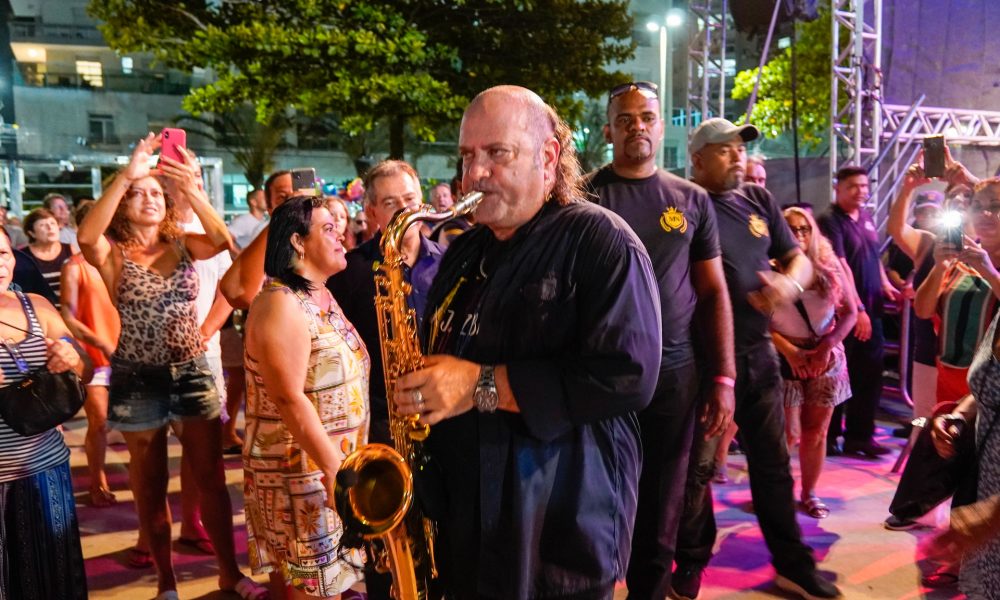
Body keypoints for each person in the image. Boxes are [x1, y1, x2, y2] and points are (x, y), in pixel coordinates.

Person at [391, 85, 661, 599]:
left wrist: (478, 386)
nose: (476, 174)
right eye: (468, 156)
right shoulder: (464, 252)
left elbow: (628, 376)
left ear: (549, 157)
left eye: (498, 153)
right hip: (468, 528)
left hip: (555, 538)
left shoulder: (601, 239)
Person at [77, 133, 264, 600]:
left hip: (192, 370)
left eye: (157, 193)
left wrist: (194, 191)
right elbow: (85, 236)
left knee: (211, 479)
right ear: (123, 205)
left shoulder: (183, 245)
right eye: (140, 194)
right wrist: (130, 173)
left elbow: (229, 247)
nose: (149, 199)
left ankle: (229, 574)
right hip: (138, 377)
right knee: (151, 484)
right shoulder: (113, 254)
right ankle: (166, 581)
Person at [673, 118, 839, 600]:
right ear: (699, 158)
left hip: (758, 355)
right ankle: (691, 560)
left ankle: (793, 563)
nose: (738, 157)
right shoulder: (683, 204)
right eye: (725, 150)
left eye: (740, 150)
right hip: (703, 363)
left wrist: (788, 284)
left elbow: (800, 259)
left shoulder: (760, 201)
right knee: (696, 471)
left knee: (772, 466)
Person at [584, 80, 735, 600]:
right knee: (595, 498)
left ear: (662, 124)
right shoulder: (582, 196)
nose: (637, 128)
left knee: (663, 504)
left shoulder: (690, 200)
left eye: (646, 117)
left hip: (675, 376)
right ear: (609, 129)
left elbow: (713, 292)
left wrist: (723, 378)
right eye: (625, 119)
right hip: (597, 373)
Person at [325, 160, 445, 600]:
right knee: (384, 541)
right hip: (378, 422)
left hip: (437, 417)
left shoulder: (450, 265)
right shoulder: (349, 272)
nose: (402, 211)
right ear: (372, 211)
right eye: (390, 203)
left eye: (410, 201)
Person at [243, 195, 368, 599]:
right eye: (328, 229)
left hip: (326, 469)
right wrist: (339, 474)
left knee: (325, 585)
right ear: (298, 241)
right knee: (312, 589)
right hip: (303, 475)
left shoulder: (321, 295)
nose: (341, 235)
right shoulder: (281, 303)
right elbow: (289, 399)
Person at [0, 226, 93, 600]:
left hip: (46, 468)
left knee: (55, 577)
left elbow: (82, 364)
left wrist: (72, 357)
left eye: (3, 253)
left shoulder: (35, 304)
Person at [773, 207, 857, 519]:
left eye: (804, 229)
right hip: (782, 356)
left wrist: (827, 346)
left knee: (816, 431)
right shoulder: (767, 263)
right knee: (787, 432)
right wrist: (789, 351)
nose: (798, 235)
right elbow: (754, 321)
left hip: (825, 355)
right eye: (791, 228)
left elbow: (850, 312)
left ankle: (809, 493)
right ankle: (777, 493)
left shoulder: (828, 263)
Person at [819, 165, 900, 457]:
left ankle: (860, 437)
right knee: (839, 376)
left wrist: (887, 287)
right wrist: (858, 308)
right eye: (853, 186)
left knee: (869, 375)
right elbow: (840, 265)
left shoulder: (865, 218)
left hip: (872, 310)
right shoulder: (829, 220)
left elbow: (874, 257)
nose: (861, 192)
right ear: (838, 188)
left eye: (864, 186)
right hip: (844, 313)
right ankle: (827, 437)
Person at [59, 200, 122, 508]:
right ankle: (97, 481)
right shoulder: (74, 267)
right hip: (95, 357)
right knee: (98, 421)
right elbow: (68, 317)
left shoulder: (121, 260)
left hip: (129, 354)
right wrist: (100, 343)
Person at [221, 170, 316, 309]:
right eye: (283, 198)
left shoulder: (321, 235)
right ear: (270, 207)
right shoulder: (263, 235)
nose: (293, 203)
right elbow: (241, 294)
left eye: (298, 197)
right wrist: (283, 218)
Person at [23, 207, 75, 308]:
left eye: (52, 223)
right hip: (40, 311)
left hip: (71, 310)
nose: (50, 228)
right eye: (42, 225)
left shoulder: (70, 250)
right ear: (31, 233)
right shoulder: (24, 256)